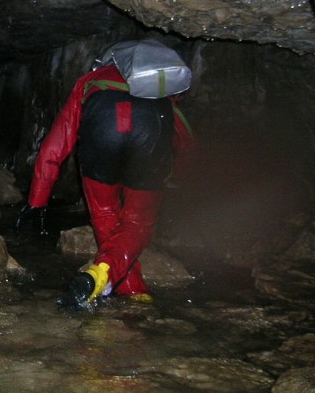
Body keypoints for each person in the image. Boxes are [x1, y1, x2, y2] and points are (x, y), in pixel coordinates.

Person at [16, 40, 194, 309]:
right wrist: (178, 179)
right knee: (138, 223)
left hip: (102, 125)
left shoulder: (91, 81)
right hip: (150, 128)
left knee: (106, 215)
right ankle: (121, 285)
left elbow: (55, 146)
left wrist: (37, 201)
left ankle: (122, 285)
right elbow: (186, 140)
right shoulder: (160, 92)